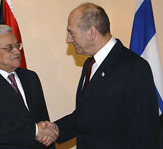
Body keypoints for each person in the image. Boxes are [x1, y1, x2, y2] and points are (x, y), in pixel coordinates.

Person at [53, 2, 160, 149]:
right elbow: (88, 113)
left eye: (71, 33)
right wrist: (55, 129)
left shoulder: (134, 67)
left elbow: (145, 132)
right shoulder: (89, 65)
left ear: (91, 32)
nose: (68, 40)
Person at [0, 25, 58, 149]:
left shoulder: (31, 77)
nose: (17, 51)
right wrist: (34, 131)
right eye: (9, 48)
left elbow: (43, 119)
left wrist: (49, 137)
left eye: (17, 45)